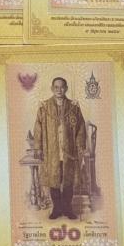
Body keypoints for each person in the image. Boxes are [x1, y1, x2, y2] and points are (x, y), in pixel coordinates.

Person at [33, 77, 86, 220]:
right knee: (54, 180)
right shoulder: (44, 107)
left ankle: (68, 209)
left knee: (68, 180)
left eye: (62, 87)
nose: (59, 90)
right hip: (52, 152)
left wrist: (80, 144)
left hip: (69, 152)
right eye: (56, 87)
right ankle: (56, 209)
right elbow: (38, 128)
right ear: (52, 89)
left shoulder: (74, 107)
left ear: (66, 88)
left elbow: (81, 127)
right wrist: (38, 147)